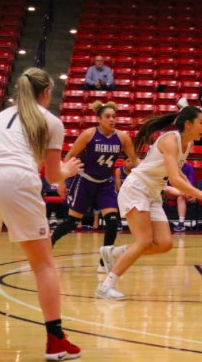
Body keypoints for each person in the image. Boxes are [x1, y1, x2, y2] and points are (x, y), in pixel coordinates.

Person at [0, 68, 84, 361]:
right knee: (43, 265)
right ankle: (56, 340)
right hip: (16, 180)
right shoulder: (51, 121)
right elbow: (53, 174)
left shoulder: (0, 116)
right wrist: (68, 170)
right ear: (45, 93)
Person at [96, 107, 202, 300]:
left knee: (164, 244)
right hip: (137, 188)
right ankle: (106, 286)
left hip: (153, 192)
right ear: (188, 124)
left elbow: (177, 171)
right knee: (144, 242)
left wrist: (188, 188)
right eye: (201, 122)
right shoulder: (170, 140)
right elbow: (174, 178)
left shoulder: (187, 144)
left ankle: (113, 253)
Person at [50, 101, 139, 273]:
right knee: (72, 222)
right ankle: (50, 241)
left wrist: (149, 171)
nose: (112, 120)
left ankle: (104, 262)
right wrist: (61, 180)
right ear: (98, 119)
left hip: (105, 183)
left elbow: (135, 159)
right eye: (107, 117)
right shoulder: (88, 135)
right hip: (85, 181)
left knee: (112, 221)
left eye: (114, 117)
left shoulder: (122, 137)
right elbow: (69, 156)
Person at [163, 162, 195, 233]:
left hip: (185, 191)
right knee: (166, 188)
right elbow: (171, 182)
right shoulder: (171, 166)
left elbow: (189, 184)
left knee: (180, 197)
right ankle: (185, 194)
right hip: (173, 191)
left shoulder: (189, 167)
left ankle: (181, 223)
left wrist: (184, 190)